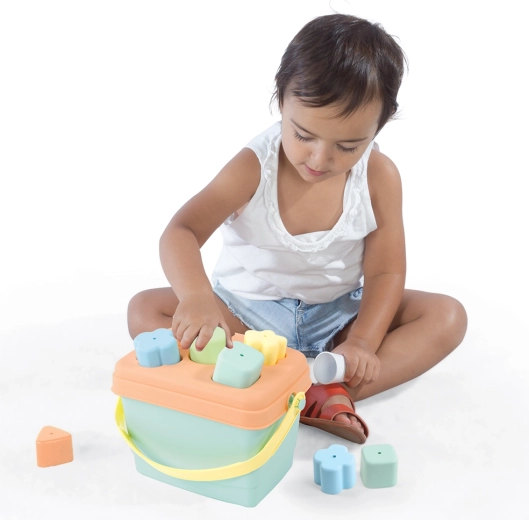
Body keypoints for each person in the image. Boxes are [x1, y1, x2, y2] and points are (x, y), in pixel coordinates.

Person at [127, 14, 467, 443]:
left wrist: (362, 341)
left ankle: (324, 391)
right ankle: (265, 384)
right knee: (145, 309)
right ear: (281, 100)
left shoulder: (380, 177)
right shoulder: (253, 168)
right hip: (244, 316)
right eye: (303, 135)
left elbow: (386, 272)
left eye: (348, 146)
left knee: (446, 317)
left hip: (338, 316)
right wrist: (197, 299)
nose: (320, 159)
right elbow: (182, 231)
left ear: (379, 127)